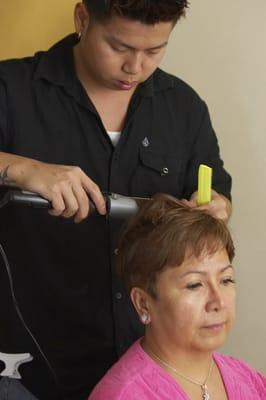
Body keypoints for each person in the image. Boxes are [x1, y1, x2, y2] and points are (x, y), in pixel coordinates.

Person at [0, 1, 232, 399]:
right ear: (83, 19)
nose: (135, 67)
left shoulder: (184, 108)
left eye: (154, 51)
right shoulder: (10, 89)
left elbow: (216, 193)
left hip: (144, 366)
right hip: (25, 364)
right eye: (120, 47)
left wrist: (216, 208)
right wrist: (16, 168)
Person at [89, 193, 266, 400]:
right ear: (143, 304)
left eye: (226, 280)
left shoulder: (248, 378)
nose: (218, 302)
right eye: (194, 285)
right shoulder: (123, 395)